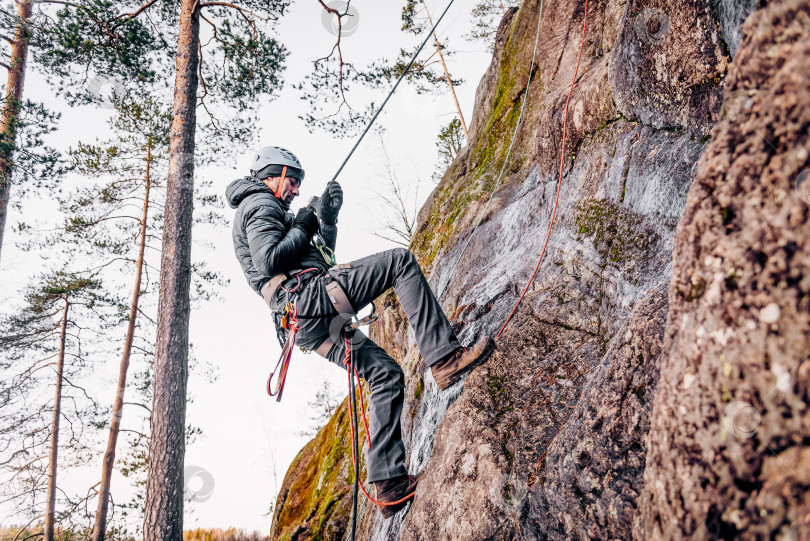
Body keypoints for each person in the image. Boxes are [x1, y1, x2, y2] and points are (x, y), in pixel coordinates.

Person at [226, 146, 495, 517]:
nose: (296, 190)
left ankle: (387, 484)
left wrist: (328, 221)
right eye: (292, 180)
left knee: (385, 373)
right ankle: (445, 357)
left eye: (299, 184)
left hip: (306, 320)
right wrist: (305, 224)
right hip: (308, 299)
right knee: (399, 261)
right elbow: (270, 259)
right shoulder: (259, 204)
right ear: (272, 174)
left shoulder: (270, 209)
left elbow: (318, 260)